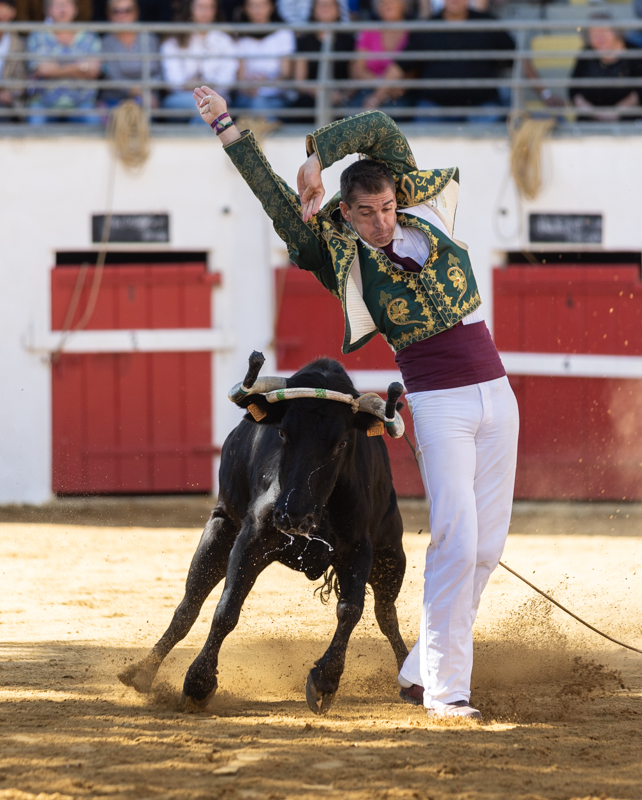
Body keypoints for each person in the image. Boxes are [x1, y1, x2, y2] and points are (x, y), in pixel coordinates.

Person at [194, 86, 518, 722]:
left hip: (495, 391)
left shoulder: (425, 206)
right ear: (346, 211)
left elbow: (380, 126)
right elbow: (274, 200)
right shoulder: (337, 256)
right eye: (366, 212)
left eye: (388, 207)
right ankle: (447, 694)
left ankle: (421, 665)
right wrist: (230, 129)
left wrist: (319, 153)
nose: (381, 221)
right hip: (438, 399)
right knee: (456, 537)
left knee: (487, 547)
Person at [398, 0, 514, 123]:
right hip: (434, 107)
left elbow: (517, 56)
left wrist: (537, 89)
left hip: (481, 106)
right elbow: (400, 66)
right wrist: (376, 99)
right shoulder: (427, 27)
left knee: (493, 126)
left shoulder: (487, 23)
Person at [159, 0, 237, 122]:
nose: (205, 12)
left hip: (217, 99)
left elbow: (227, 81)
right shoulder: (174, 40)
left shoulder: (224, 40)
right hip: (180, 99)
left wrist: (199, 86)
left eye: (210, 7)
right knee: (207, 106)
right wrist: (204, 87)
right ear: (190, 8)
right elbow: (173, 83)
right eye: (200, 7)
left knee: (209, 106)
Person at [27, 0, 103, 123]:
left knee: (93, 121)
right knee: (35, 124)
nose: (62, 9)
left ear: (75, 9)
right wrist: (79, 67)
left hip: (82, 103)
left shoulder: (90, 37)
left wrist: (55, 68)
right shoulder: (37, 36)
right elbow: (42, 70)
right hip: (44, 103)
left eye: (67, 3)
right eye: (56, 4)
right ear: (47, 10)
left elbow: (94, 71)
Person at [569, 14, 642, 121]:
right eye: (594, 34)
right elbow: (574, 91)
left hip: (628, 122)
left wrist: (616, 112)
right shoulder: (586, 54)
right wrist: (594, 113)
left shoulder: (634, 53)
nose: (600, 37)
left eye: (603, 31)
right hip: (590, 122)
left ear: (615, 32)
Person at [293, 0, 355, 116]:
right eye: (321, 5)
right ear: (313, 10)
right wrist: (319, 91)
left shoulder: (348, 41)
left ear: (338, 10)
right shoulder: (304, 41)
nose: (325, 8)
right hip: (312, 97)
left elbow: (354, 78)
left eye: (330, 4)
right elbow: (299, 82)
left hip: (341, 98)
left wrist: (342, 96)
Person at [232, 0, 294, 115]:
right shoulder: (240, 38)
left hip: (275, 97)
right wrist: (249, 87)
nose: (257, 11)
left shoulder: (283, 34)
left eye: (261, 5)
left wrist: (266, 84)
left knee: (259, 104)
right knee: (255, 103)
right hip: (247, 97)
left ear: (271, 7)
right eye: (252, 6)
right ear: (245, 9)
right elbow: (241, 79)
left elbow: (285, 74)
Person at [99, 0, 159, 107]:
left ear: (137, 13)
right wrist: (138, 91)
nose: (122, 15)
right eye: (116, 11)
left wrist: (146, 92)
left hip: (148, 98)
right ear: (109, 15)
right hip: (115, 100)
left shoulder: (149, 39)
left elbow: (157, 72)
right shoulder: (105, 42)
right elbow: (112, 76)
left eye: (128, 10)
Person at [351, 0, 409, 110]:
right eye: (383, 2)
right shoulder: (369, 30)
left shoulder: (412, 34)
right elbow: (358, 70)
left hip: (398, 95)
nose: (387, 5)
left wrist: (388, 90)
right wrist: (381, 85)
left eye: (392, 2)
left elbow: (413, 71)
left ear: (404, 5)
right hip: (369, 90)